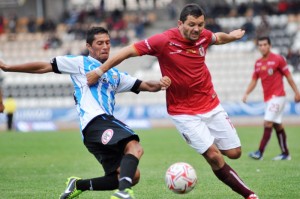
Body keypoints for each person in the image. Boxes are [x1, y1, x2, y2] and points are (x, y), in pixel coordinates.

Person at [86, 4, 259, 199]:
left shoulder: (203, 36)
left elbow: (217, 38)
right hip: (183, 112)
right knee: (214, 157)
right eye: (192, 24)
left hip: (211, 104)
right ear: (180, 24)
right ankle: (250, 195)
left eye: (200, 25)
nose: (196, 29)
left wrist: (232, 36)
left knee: (234, 153)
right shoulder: (163, 40)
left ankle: (208, 146)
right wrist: (100, 71)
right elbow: (128, 51)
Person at [0, 26, 171, 199]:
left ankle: (78, 184)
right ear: (89, 46)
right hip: (96, 121)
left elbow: (148, 86)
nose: (105, 46)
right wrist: (8, 67)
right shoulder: (80, 63)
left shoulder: (115, 75)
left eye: (108, 42)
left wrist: (161, 82)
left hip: (94, 132)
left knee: (132, 176)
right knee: (134, 146)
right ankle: (124, 193)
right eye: (99, 43)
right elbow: (44, 66)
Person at [242, 36, 300, 161]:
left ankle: (260, 152)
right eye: (260, 45)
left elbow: (289, 77)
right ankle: (285, 153)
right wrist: (246, 93)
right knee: (277, 125)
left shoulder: (278, 59)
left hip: (278, 97)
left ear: (270, 46)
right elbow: (254, 80)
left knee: (268, 122)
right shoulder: (258, 63)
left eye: (265, 44)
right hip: (268, 99)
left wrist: (296, 92)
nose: (262, 47)